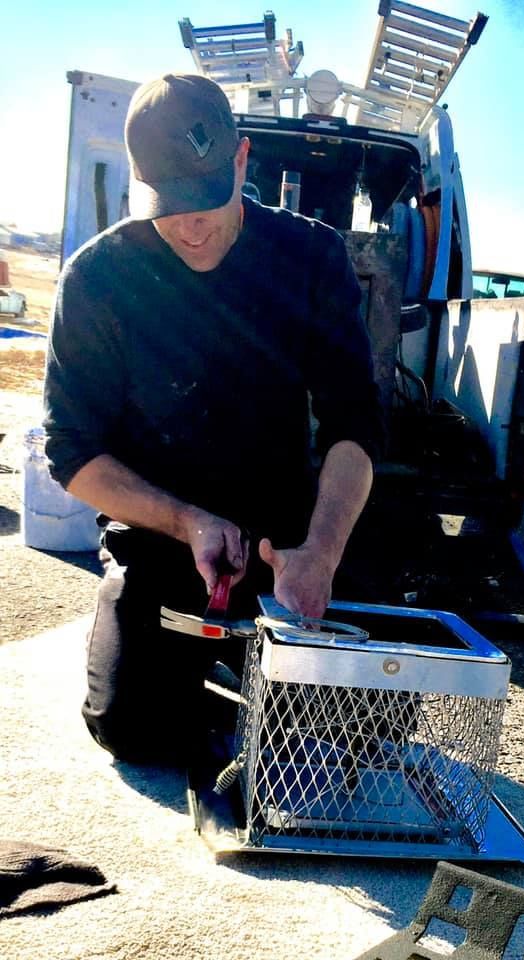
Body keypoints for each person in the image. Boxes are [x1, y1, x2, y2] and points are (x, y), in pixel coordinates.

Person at [43, 73, 384, 764]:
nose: (193, 227)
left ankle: (253, 679)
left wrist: (321, 553)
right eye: (170, 207)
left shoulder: (312, 258)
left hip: (287, 544)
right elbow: (71, 453)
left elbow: (355, 426)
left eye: (207, 200)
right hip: (162, 538)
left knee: (363, 727)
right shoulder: (97, 279)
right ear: (139, 180)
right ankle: (204, 674)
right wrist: (187, 522)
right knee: (131, 727)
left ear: (240, 160)